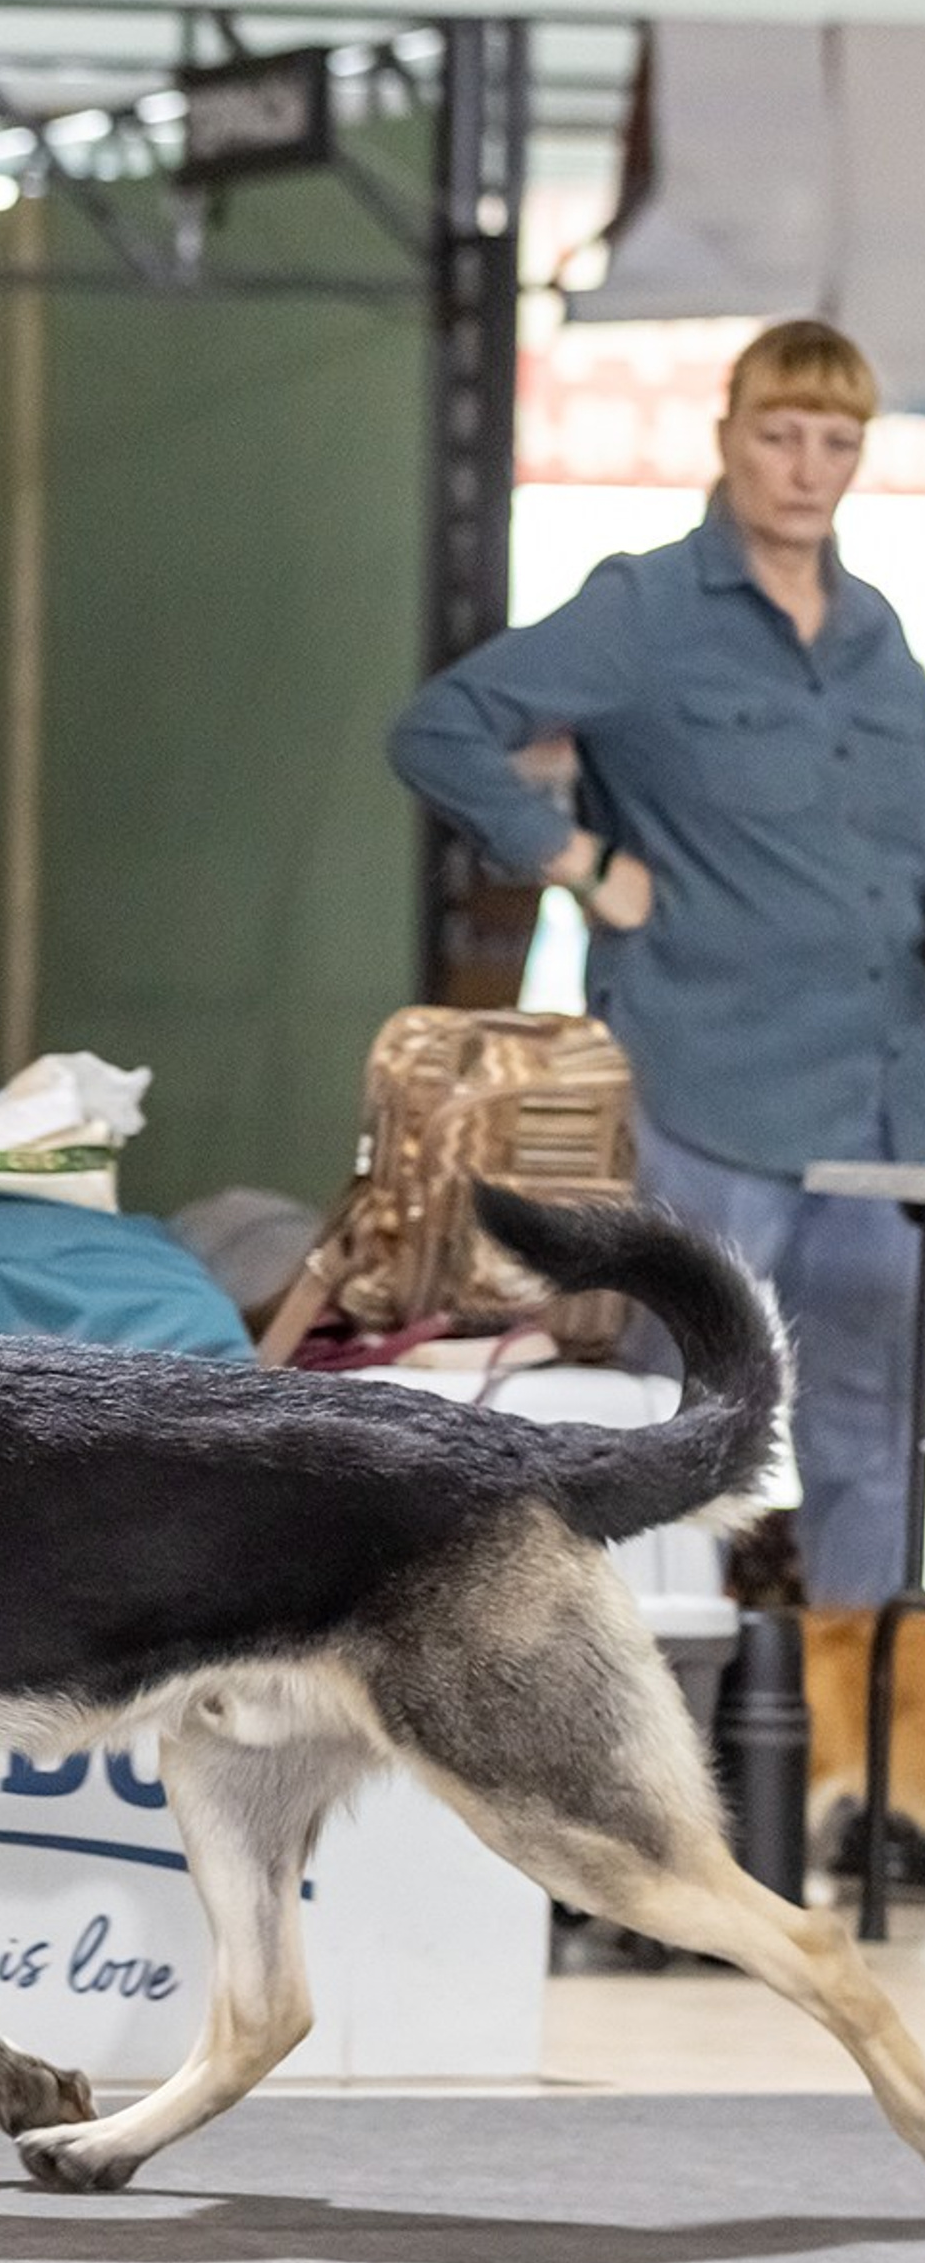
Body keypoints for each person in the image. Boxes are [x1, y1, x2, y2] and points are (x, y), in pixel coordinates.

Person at [388, 318, 925, 1609]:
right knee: (681, 1424)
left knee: (871, 1434)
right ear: (728, 437)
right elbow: (444, 727)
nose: (806, 468)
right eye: (779, 435)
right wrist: (578, 858)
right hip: (711, 1087)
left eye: (836, 443)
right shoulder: (647, 607)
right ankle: (658, 1716)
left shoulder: (873, 630)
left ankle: (861, 1768)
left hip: (879, 1100)